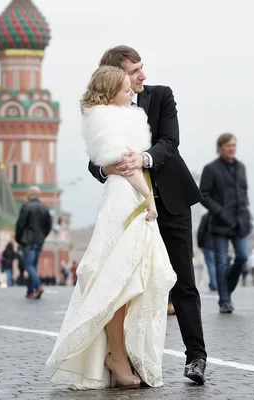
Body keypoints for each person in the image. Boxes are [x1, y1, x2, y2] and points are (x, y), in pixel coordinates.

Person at [46, 66, 177, 390]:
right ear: (110, 92)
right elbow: (123, 165)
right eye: (125, 87)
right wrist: (149, 198)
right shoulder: (107, 121)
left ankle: (123, 353)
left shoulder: (118, 116)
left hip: (130, 195)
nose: (132, 91)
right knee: (118, 281)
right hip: (125, 199)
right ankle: (116, 356)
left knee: (140, 277)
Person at [85, 46, 207, 384]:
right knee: (130, 285)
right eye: (135, 70)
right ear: (116, 75)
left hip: (170, 202)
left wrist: (143, 158)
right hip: (130, 208)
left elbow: (170, 142)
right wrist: (106, 167)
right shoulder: (102, 107)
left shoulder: (161, 96)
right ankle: (127, 357)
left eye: (142, 68)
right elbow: (94, 161)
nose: (143, 75)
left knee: (183, 282)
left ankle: (196, 356)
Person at [199, 133, 251, 313]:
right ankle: (224, 300)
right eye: (228, 145)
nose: (232, 148)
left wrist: (246, 215)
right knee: (221, 263)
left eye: (234, 145)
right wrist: (219, 211)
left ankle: (226, 287)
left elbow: (243, 194)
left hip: (240, 222)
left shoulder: (241, 168)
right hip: (220, 222)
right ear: (220, 148)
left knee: (243, 256)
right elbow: (202, 195)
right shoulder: (211, 169)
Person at [15, 186, 52, 299]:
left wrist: (18, 238)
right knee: (33, 266)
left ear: (29, 194)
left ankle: (38, 286)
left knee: (28, 265)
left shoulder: (26, 206)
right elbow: (48, 226)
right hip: (39, 241)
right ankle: (30, 291)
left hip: (28, 241)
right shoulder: (44, 208)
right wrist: (42, 236)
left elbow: (20, 224)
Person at [197, 212, 217, 291]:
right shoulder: (219, 215)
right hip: (218, 245)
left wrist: (200, 244)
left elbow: (201, 231)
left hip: (207, 245)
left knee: (211, 265)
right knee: (218, 265)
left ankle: (214, 284)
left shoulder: (205, 216)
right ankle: (216, 284)